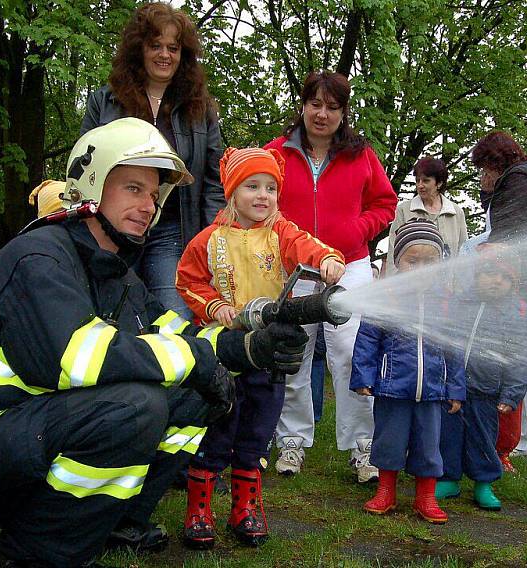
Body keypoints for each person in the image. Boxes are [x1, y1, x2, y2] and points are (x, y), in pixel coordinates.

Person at [0, 118, 307, 567]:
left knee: (201, 392)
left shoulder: (114, 271)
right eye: (133, 189)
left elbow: (175, 333)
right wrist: (199, 358)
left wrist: (249, 348)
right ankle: (36, 553)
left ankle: (117, 521)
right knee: (135, 406)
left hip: (29, 436)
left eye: (154, 195)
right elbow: (78, 357)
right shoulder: (39, 257)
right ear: (91, 185)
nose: (148, 206)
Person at [175, 147, 345, 548]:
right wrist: (215, 306)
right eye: (252, 186)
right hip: (226, 353)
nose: (263, 196)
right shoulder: (209, 239)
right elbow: (187, 280)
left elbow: (307, 246)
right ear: (232, 192)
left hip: (269, 355)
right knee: (218, 430)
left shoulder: (280, 232)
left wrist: (328, 259)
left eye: (271, 187)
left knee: (257, 430)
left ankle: (246, 507)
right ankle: (199, 509)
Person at [265, 71, 397, 482]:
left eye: (332, 107)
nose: (322, 114)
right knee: (293, 352)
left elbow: (385, 203)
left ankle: (363, 447)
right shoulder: (275, 153)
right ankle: (291, 441)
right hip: (294, 267)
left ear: (343, 112)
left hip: (351, 264)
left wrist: (356, 230)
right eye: (315, 104)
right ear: (302, 105)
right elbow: (254, 200)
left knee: (351, 352)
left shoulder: (362, 156)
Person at [81, 2, 224, 319]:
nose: (164, 55)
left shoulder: (201, 111)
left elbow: (215, 183)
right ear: (139, 49)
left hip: (171, 232)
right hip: (112, 232)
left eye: (173, 48)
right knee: (107, 321)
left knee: (175, 319)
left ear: (183, 55)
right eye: (155, 45)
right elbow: (85, 169)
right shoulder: (103, 102)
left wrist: (211, 240)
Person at [351, 220, 465, 524]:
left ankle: (425, 497)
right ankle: (386, 491)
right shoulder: (386, 298)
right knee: (388, 441)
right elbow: (367, 339)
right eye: (413, 261)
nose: (421, 269)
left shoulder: (446, 304)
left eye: (430, 262)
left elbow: (454, 350)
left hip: (431, 392)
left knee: (429, 446)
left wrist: (455, 389)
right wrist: (364, 377)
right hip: (392, 388)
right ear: (398, 261)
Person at [463, 131, 527, 459]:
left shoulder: (518, 181)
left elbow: (507, 235)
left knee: (513, 360)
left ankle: (519, 440)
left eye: (484, 168)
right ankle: (516, 439)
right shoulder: (520, 180)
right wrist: (489, 195)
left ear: (495, 161)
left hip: (517, 284)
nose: (482, 176)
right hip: (520, 280)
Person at [436, 244, 527, 511]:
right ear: (477, 273)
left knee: (483, 438)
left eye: (505, 277)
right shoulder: (459, 303)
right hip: (454, 387)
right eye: (490, 273)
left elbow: (521, 359)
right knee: (449, 435)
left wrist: (512, 394)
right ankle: (449, 478)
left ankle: (484, 482)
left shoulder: (517, 314)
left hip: (487, 390)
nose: (497, 281)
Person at [385, 157, 468, 274]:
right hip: (411, 284)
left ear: (439, 183)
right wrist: (392, 286)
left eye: (426, 180)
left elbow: (463, 252)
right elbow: (393, 252)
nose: (420, 185)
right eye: (417, 180)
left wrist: (459, 286)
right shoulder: (404, 210)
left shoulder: (456, 212)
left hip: (448, 286)